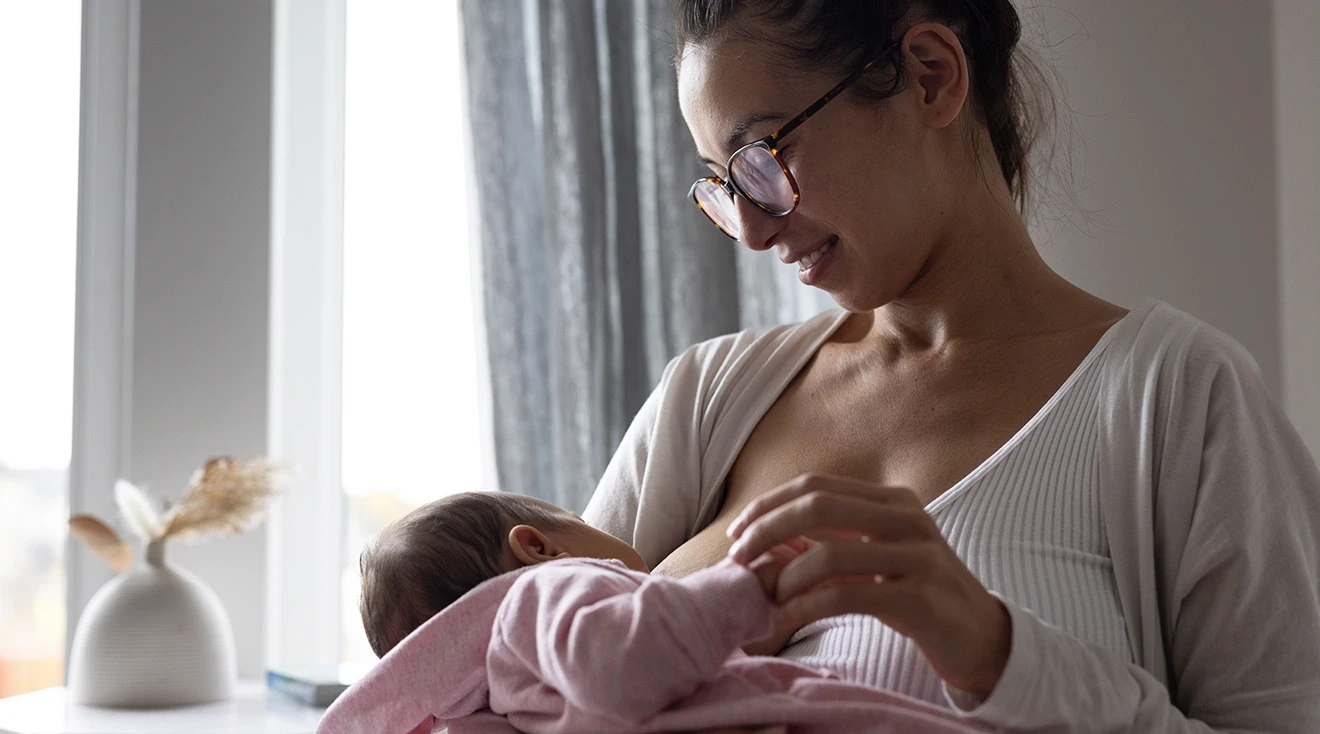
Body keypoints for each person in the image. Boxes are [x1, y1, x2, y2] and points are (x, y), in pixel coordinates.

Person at [583, 1, 1320, 731]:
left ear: (932, 77)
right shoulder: (704, 400)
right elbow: (506, 668)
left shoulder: (1182, 402)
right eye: (723, 185)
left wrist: (999, 653)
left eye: (763, 159)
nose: (748, 229)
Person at [318, 492, 992, 734]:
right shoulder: (536, 595)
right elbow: (616, 663)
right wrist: (749, 586)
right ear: (536, 545)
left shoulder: (491, 702)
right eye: (575, 518)